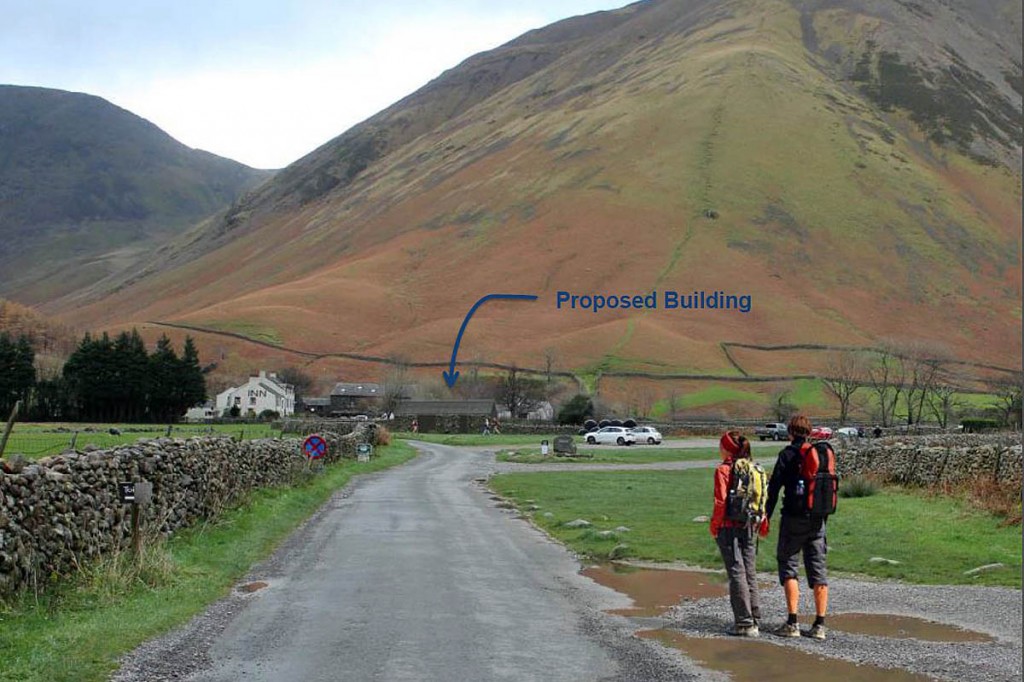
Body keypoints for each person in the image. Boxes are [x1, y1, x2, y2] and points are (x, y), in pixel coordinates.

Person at [765, 414, 829, 640]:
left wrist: (766, 516)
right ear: (809, 432)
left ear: (790, 432)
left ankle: (792, 623)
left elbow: (773, 489)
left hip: (793, 518)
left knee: (789, 566)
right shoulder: (819, 454)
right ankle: (819, 625)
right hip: (818, 519)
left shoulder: (787, 454)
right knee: (818, 570)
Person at [710, 431, 770, 637]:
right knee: (749, 570)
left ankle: (744, 623)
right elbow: (760, 497)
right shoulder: (754, 468)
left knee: (736, 571)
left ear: (726, 448)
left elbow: (721, 501)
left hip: (729, 526)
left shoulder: (724, 470)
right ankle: (755, 616)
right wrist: (763, 522)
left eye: (720, 446)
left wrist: (714, 525)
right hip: (750, 524)